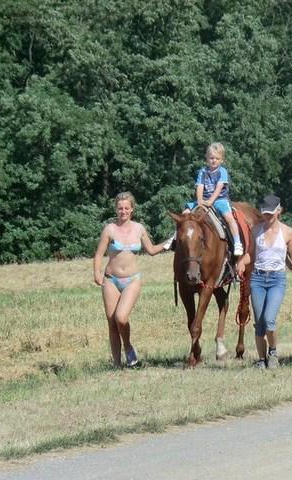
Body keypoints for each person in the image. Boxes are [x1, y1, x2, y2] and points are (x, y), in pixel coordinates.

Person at [93, 192, 170, 368]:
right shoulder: (109, 229)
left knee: (121, 317)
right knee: (112, 323)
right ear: (116, 209)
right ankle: (117, 365)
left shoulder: (139, 229)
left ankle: (128, 347)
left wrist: (169, 242)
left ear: (132, 209)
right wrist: (96, 273)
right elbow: (98, 254)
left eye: (127, 208)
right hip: (111, 279)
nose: (123, 211)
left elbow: (151, 250)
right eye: (120, 208)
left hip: (132, 280)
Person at [236, 194, 292, 369]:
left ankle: (273, 352)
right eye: (265, 214)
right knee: (259, 322)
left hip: (277, 279)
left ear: (279, 211)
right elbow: (251, 255)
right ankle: (261, 360)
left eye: (271, 214)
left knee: (269, 319)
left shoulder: (287, 232)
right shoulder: (256, 231)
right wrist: (241, 262)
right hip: (258, 279)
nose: (268, 217)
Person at [181, 142, 243, 256]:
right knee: (185, 213)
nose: (214, 160)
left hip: (219, 199)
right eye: (211, 158)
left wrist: (210, 201)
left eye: (217, 158)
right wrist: (199, 200)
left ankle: (237, 241)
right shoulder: (203, 172)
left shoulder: (222, 172)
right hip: (203, 199)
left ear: (222, 160)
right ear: (207, 159)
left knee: (229, 217)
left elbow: (219, 188)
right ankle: (176, 237)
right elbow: (200, 186)